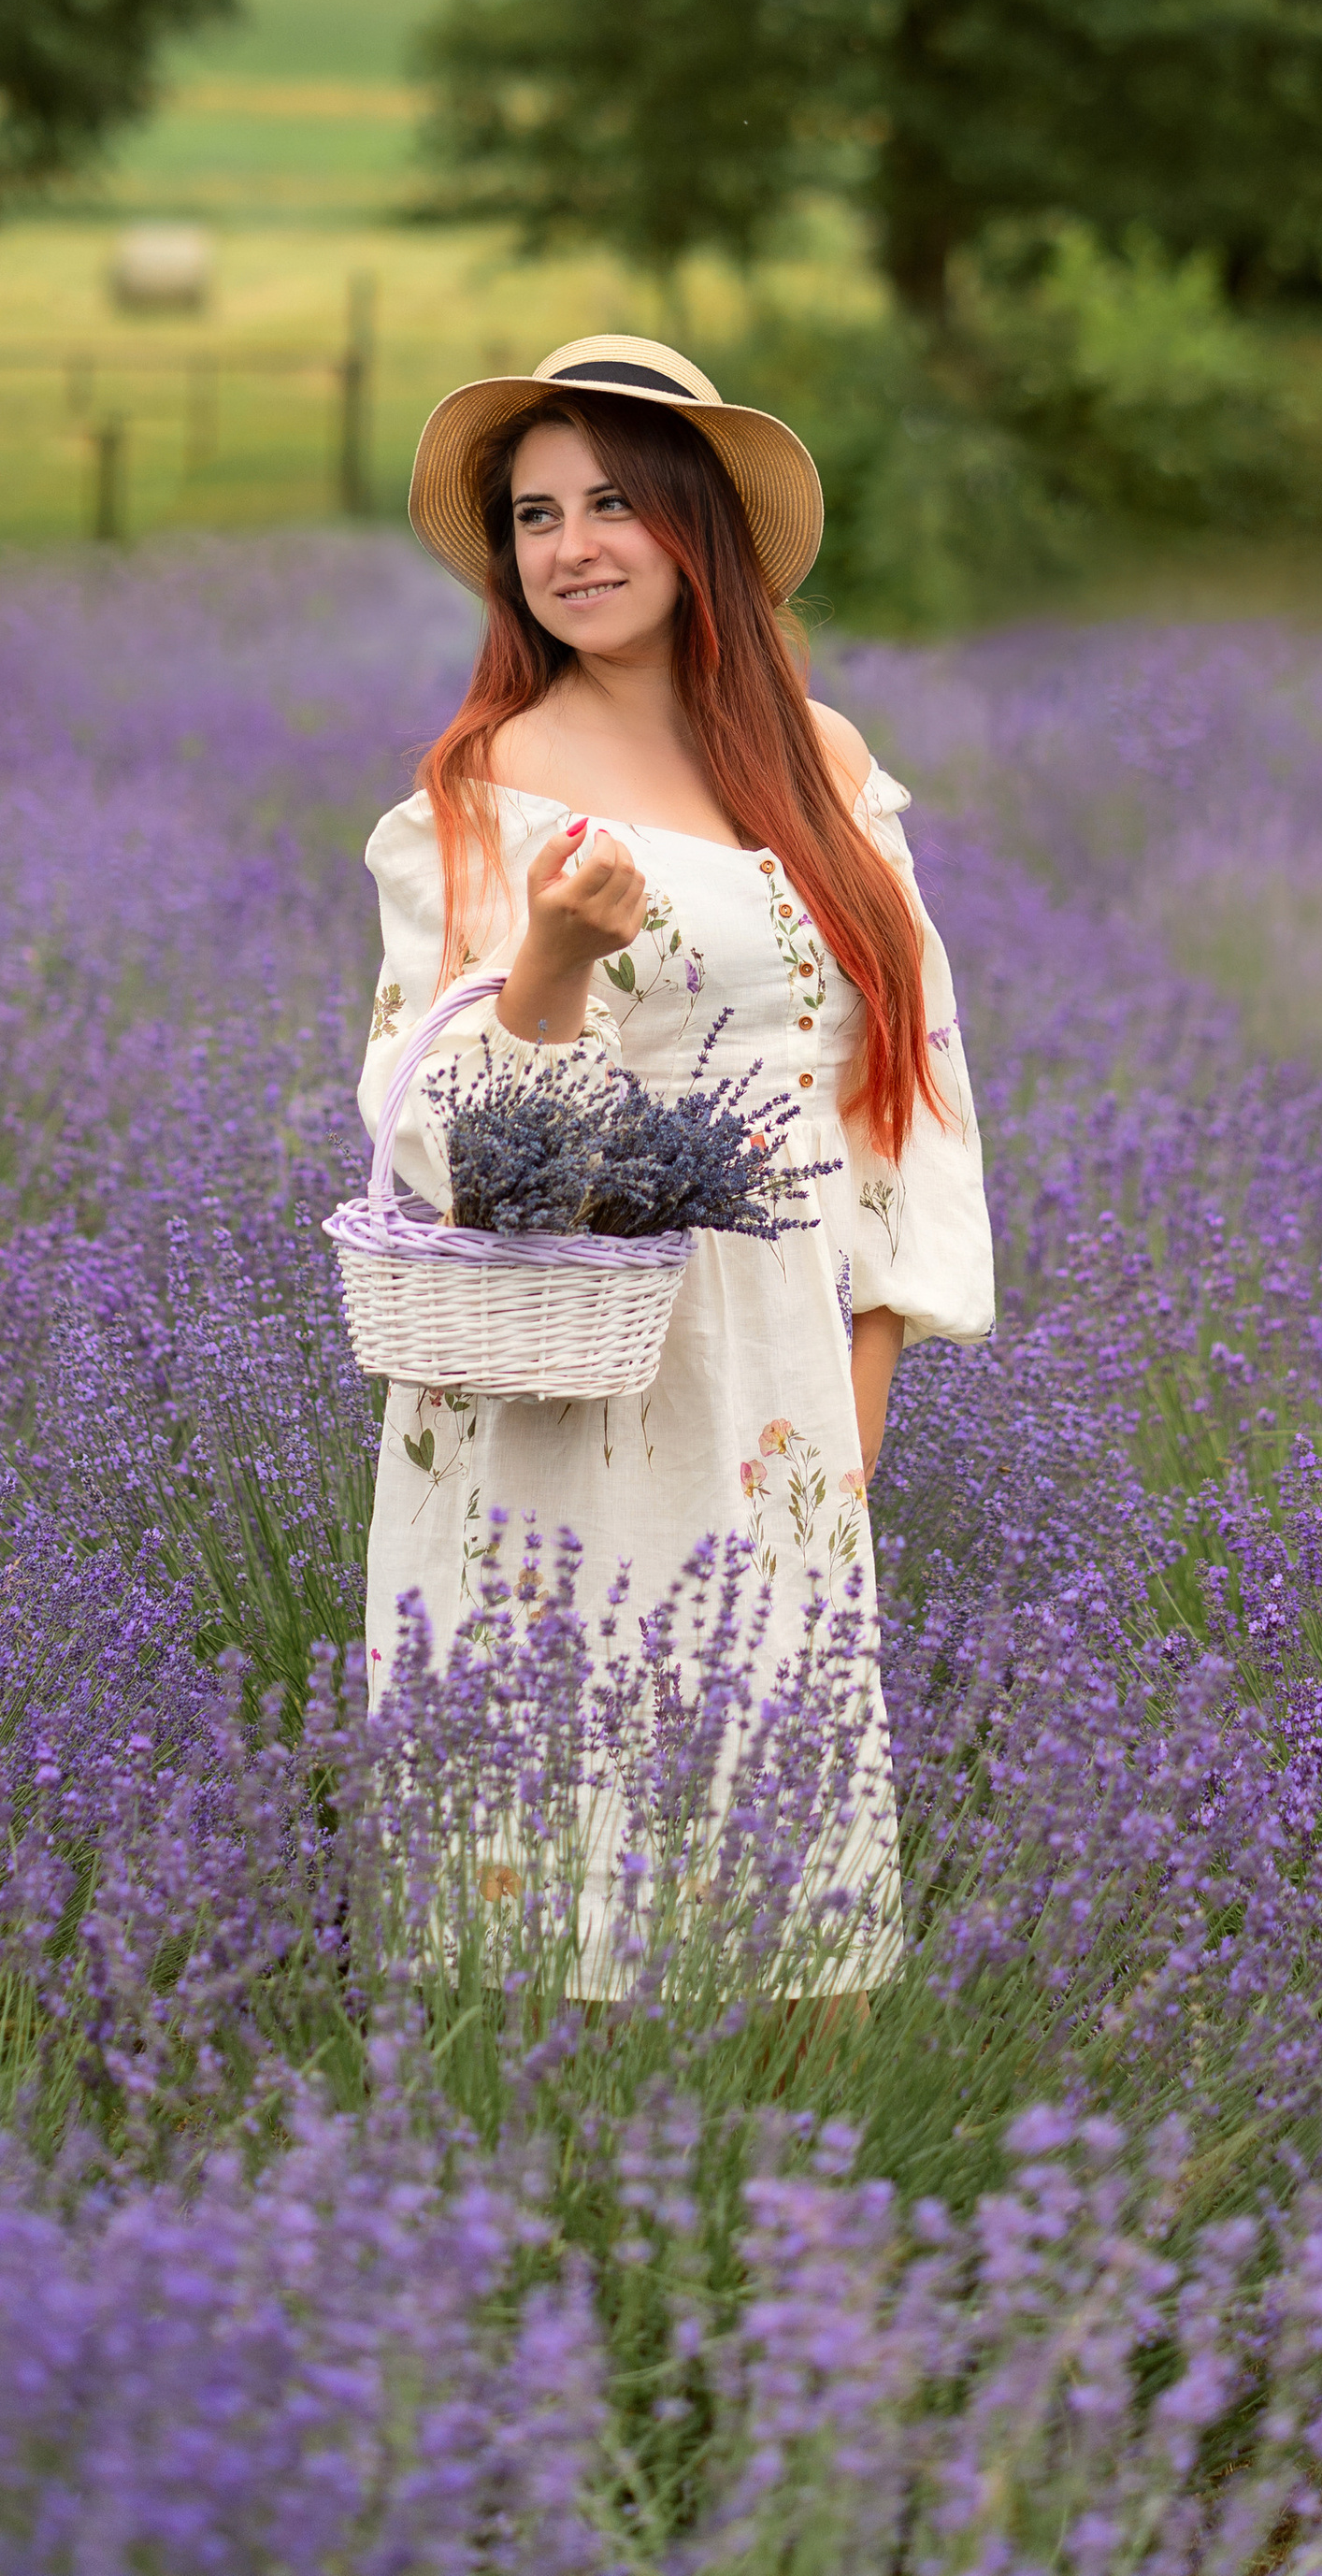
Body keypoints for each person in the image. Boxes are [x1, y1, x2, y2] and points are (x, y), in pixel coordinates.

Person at [355, 333, 994, 1995]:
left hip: (781, 1374)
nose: (571, 547)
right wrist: (554, 966)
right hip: (566, 1377)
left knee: (787, 1894)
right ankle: (539, 2150)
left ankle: (780, 2158)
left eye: (613, 503)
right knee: (553, 1863)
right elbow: (455, 1153)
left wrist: (861, 1385)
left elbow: (905, 1089)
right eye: (536, 515)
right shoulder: (482, 794)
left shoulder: (824, 766)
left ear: (696, 521)